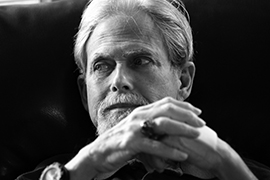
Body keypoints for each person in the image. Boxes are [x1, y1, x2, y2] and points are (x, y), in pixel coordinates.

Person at [17, 0, 270, 179]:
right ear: (85, 94)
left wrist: (228, 168)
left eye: (140, 61)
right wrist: (86, 166)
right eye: (102, 66)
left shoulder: (240, 171)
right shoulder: (61, 173)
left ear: (183, 81)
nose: (119, 81)